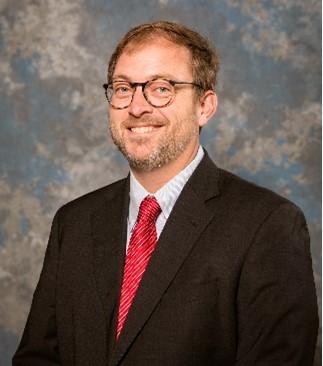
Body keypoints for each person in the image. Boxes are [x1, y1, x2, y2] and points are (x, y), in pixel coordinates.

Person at [13, 21, 318, 366]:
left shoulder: (268, 225)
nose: (137, 106)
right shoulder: (73, 222)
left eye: (161, 88)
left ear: (205, 106)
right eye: (124, 87)